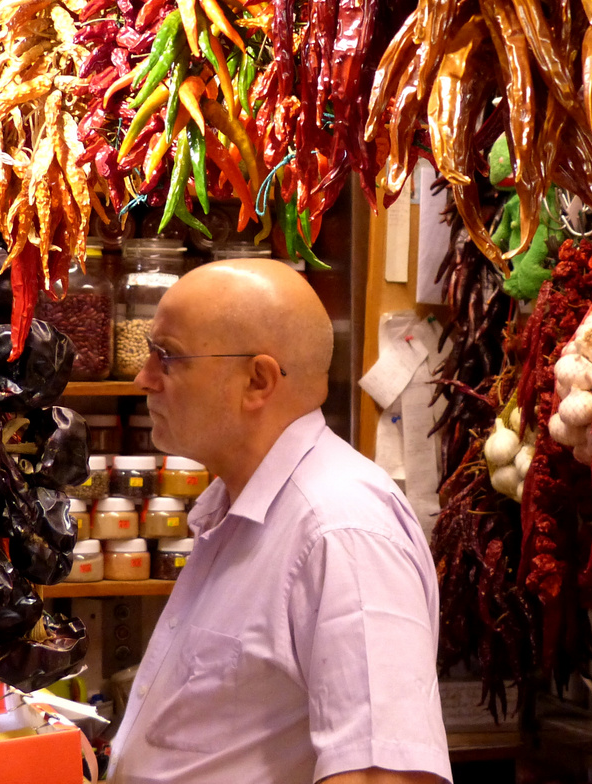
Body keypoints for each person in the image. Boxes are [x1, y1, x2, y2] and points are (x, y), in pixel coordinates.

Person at [107, 259, 451, 784]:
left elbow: (384, 775)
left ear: (257, 381)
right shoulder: (244, 509)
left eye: (168, 357)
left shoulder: (341, 530)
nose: (143, 378)